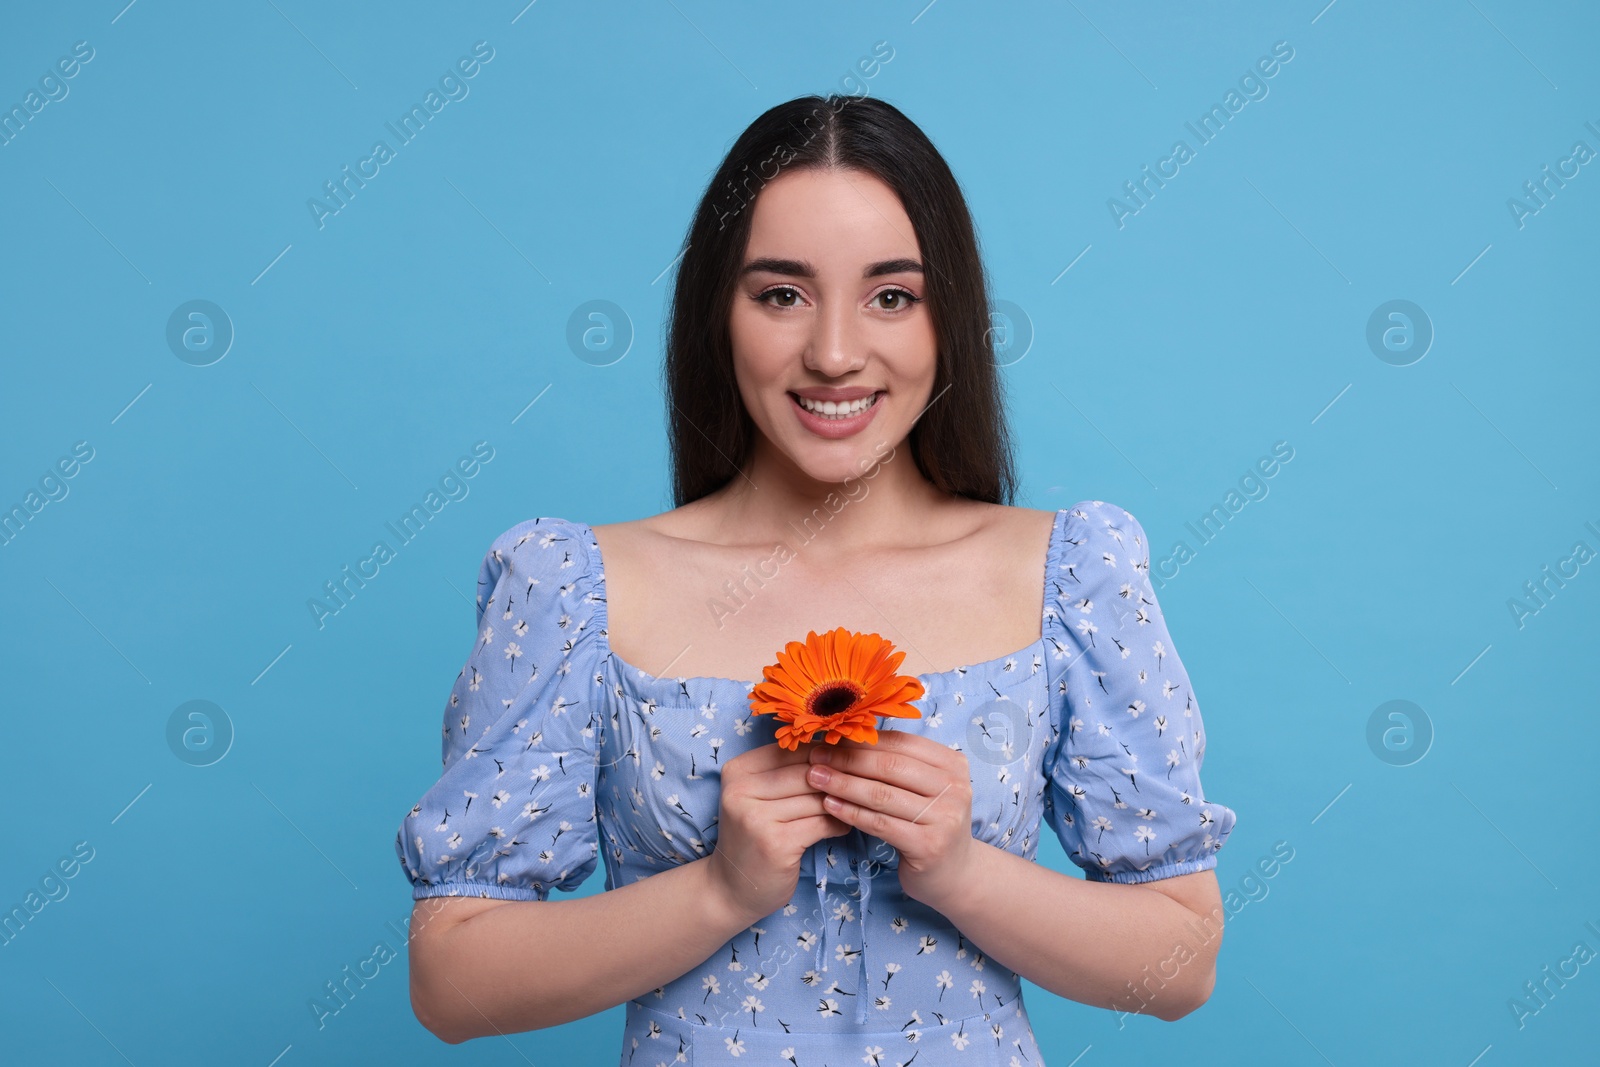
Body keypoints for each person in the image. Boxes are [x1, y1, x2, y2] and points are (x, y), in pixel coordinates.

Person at [395, 93, 1238, 1064]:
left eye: (891, 294)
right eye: (781, 293)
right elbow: (450, 982)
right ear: (719, 312)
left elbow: (1181, 962)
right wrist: (716, 889)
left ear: (946, 319)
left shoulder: (1074, 574)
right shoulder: (570, 585)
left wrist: (962, 870)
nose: (835, 353)